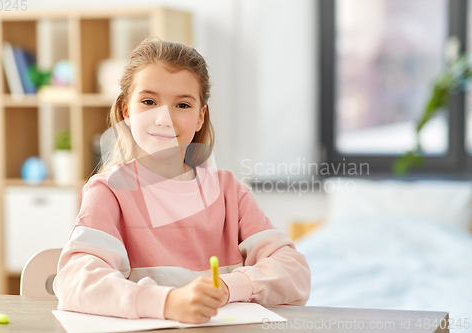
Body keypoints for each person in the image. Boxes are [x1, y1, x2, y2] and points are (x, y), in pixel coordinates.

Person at [53, 37, 311, 324]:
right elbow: (75, 281)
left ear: (200, 117)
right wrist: (167, 303)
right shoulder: (108, 192)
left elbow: (295, 272)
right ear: (126, 110)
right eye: (149, 101)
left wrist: (226, 288)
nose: (164, 118)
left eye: (183, 105)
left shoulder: (230, 192)